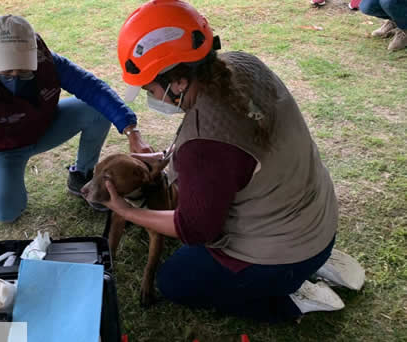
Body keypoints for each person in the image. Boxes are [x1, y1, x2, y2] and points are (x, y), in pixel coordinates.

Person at [101, 0, 365, 322]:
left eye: (149, 88)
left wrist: (128, 211)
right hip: (317, 218)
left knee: (176, 280)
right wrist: (169, 159)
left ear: (179, 82)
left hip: (289, 249)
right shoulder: (242, 64)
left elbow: (194, 229)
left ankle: (290, 299)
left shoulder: (204, 147)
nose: (150, 97)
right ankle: (312, 262)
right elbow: (237, 148)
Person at [0, 15, 151, 245]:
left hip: (40, 128)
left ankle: (81, 174)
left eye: (24, 72)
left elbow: (94, 88)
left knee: (97, 108)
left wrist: (131, 130)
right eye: (7, 74)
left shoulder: (48, 63)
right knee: (6, 212)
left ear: (34, 56)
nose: (15, 78)